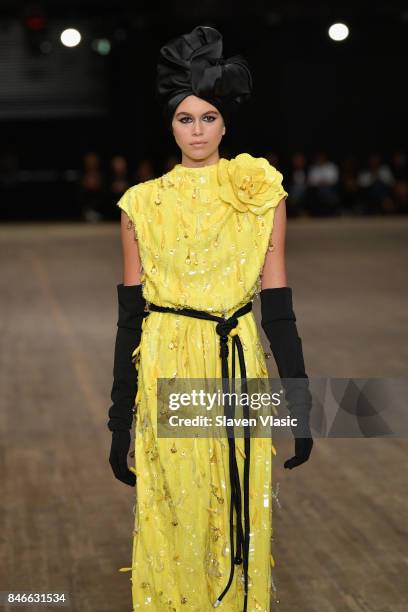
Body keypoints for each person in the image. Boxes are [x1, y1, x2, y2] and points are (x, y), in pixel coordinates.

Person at [107, 25, 313, 611]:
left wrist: (299, 409)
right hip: (167, 357)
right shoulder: (141, 204)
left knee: (239, 505)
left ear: (226, 123)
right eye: (184, 119)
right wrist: (118, 420)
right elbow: (129, 317)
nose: (196, 131)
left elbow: (277, 306)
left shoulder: (260, 193)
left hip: (237, 357)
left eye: (207, 118)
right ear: (170, 125)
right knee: (176, 512)